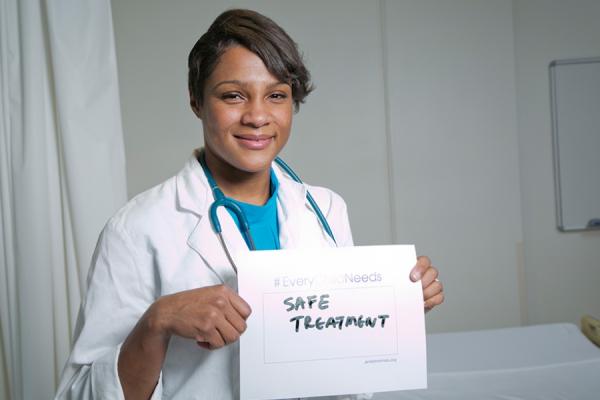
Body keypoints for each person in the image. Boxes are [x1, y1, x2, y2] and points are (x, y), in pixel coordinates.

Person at [55, 9, 444, 400]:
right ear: (196, 100)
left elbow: (340, 360)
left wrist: (392, 311)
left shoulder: (325, 209)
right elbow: (78, 395)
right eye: (233, 95)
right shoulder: (138, 228)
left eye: (276, 95)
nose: (257, 116)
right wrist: (157, 323)